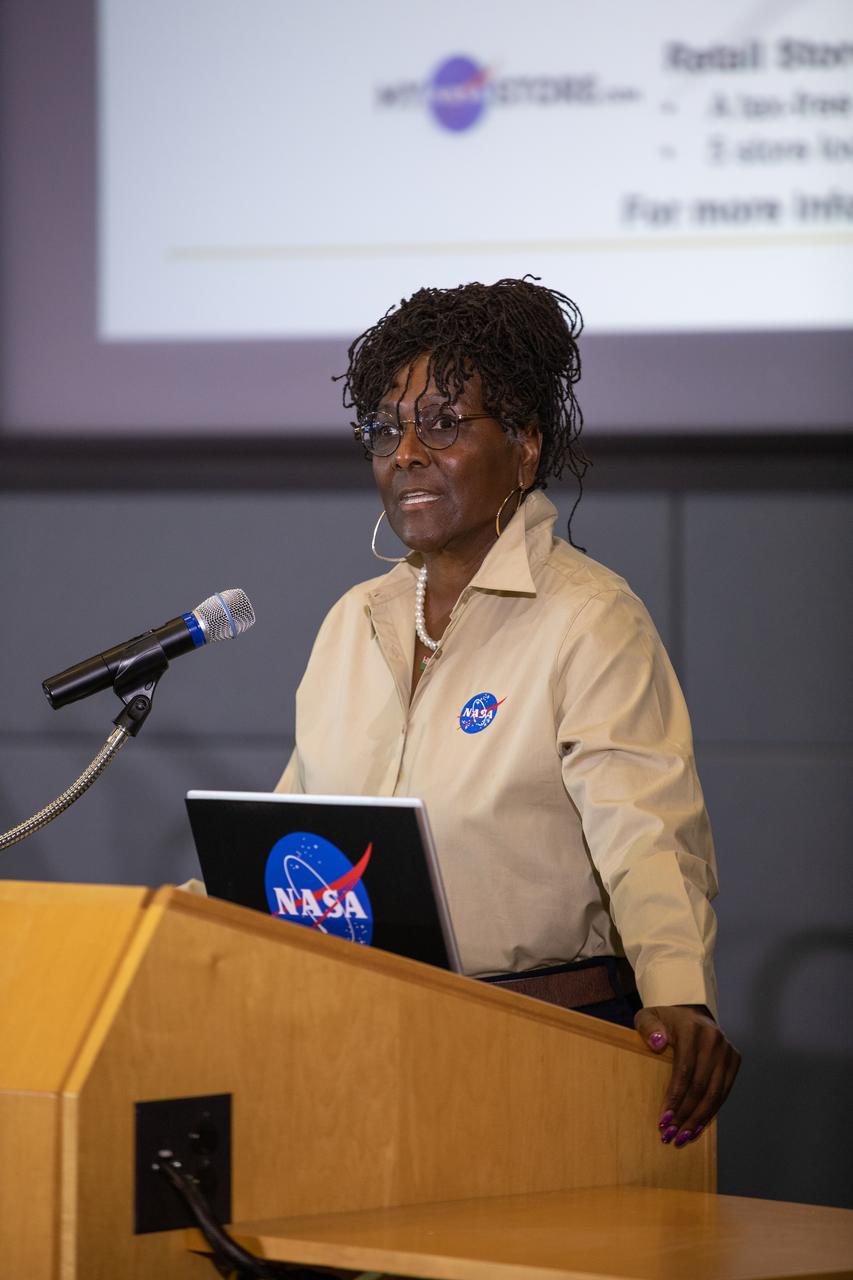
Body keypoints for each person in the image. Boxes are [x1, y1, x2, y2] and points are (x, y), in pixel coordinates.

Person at [276, 276, 740, 1148]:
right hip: (356, 1041)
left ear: (524, 446)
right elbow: (298, 834)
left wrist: (679, 993)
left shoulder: (587, 616)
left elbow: (645, 828)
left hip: (538, 1040)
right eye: (385, 429)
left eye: (443, 424)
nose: (404, 452)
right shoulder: (353, 621)